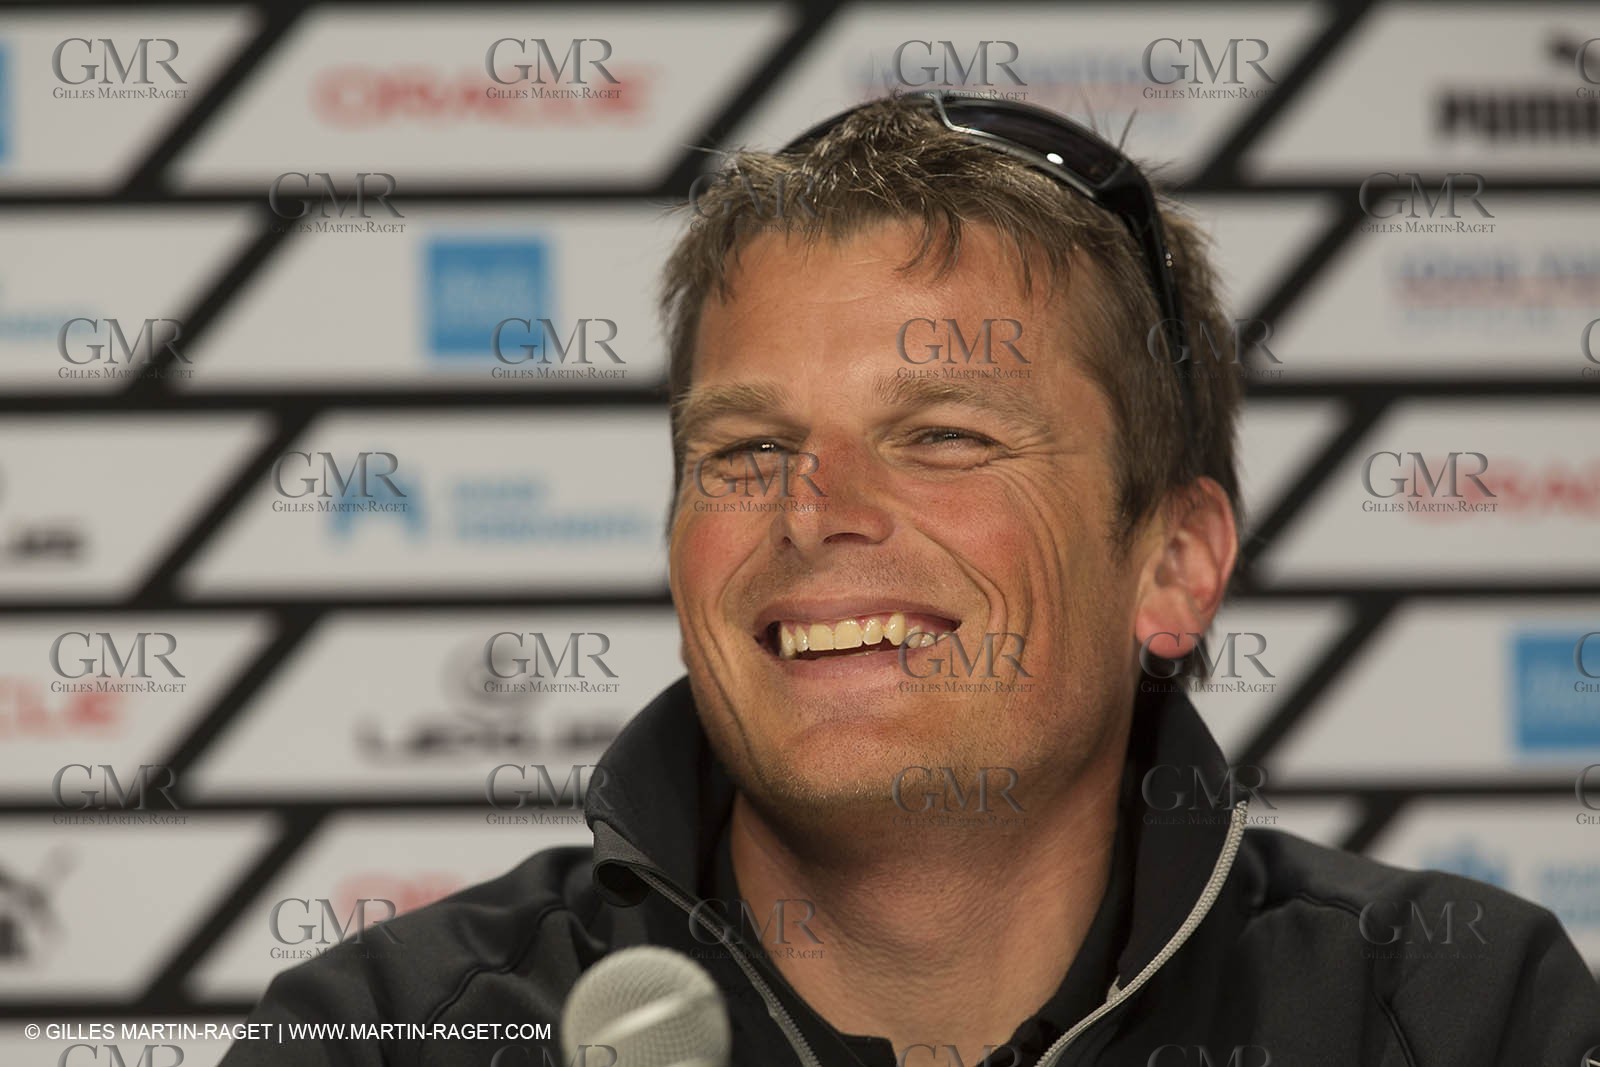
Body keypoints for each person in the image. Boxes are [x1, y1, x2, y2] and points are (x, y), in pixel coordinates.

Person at [220, 91, 1600, 1067]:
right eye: (748, 449)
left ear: (1175, 566)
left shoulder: (1460, 1016)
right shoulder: (387, 1039)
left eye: (944, 437)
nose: (815, 513)